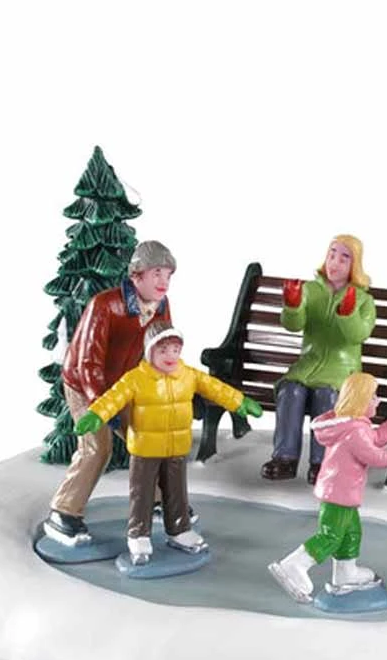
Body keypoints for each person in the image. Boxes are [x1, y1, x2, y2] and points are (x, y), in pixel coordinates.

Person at [75, 322, 263, 565]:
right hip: (145, 450)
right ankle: (138, 535)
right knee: (142, 495)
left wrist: (239, 401)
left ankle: (179, 530)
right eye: (163, 350)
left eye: (175, 350)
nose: (170, 356)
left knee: (176, 493)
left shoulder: (188, 375)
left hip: (176, 447)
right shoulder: (135, 379)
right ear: (150, 351)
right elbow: (113, 397)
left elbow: (215, 388)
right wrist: (96, 414)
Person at [43, 240, 178, 546]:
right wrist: (104, 407)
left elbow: (160, 350)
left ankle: (158, 502)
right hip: (85, 384)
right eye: (157, 273)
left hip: (125, 383)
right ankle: (63, 511)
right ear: (137, 275)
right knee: (97, 446)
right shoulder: (105, 305)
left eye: (168, 275)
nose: (164, 282)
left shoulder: (161, 306)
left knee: (150, 436)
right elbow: (88, 362)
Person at [267, 372, 387, 603]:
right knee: (331, 536)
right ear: (360, 399)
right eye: (373, 396)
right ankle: (293, 565)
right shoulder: (354, 431)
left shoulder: (352, 425)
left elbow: (374, 438)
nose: (377, 400)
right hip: (339, 494)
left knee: (351, 533)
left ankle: (346, 572)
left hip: (342, 492)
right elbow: (380, 457)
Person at [261, 234, 376, 485]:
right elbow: (293, 325)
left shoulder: (364, 301)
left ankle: (322, 461)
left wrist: (348, 314)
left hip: (341, 370)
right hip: (307, 365)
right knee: (290, 391)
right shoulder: (311, 290)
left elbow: (358, 335)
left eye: (344, 258)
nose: (335, 263)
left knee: (327, 396)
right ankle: (285, 458)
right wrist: (293, 305)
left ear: (354, 265)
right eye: (331, 255)